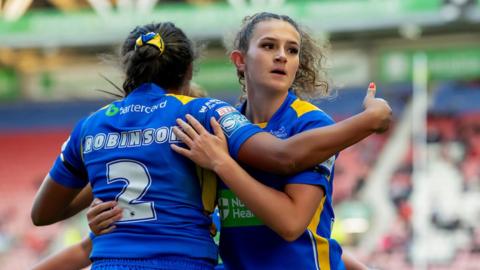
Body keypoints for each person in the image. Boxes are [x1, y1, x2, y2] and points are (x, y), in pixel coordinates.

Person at [31, 19, 390, 270]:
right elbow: (280, 159)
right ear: (236, 59)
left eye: (291, 49)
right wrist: (105, 203)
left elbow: (295, 226)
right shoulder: (211, 120)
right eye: (268, 46)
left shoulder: (307, 125)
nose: (281, 56)